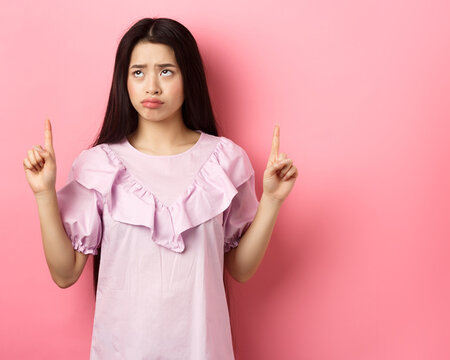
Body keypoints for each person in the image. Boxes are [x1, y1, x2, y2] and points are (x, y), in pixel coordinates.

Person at [22, 17, 298, 359]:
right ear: (124, 81)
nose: (151, 86)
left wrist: (271, 199)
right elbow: (65, 274)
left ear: (188, 78)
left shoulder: (225, 160)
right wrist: (44, 193)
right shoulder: (98, 166)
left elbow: (240, 269)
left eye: (166, 71)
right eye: (138, 72)